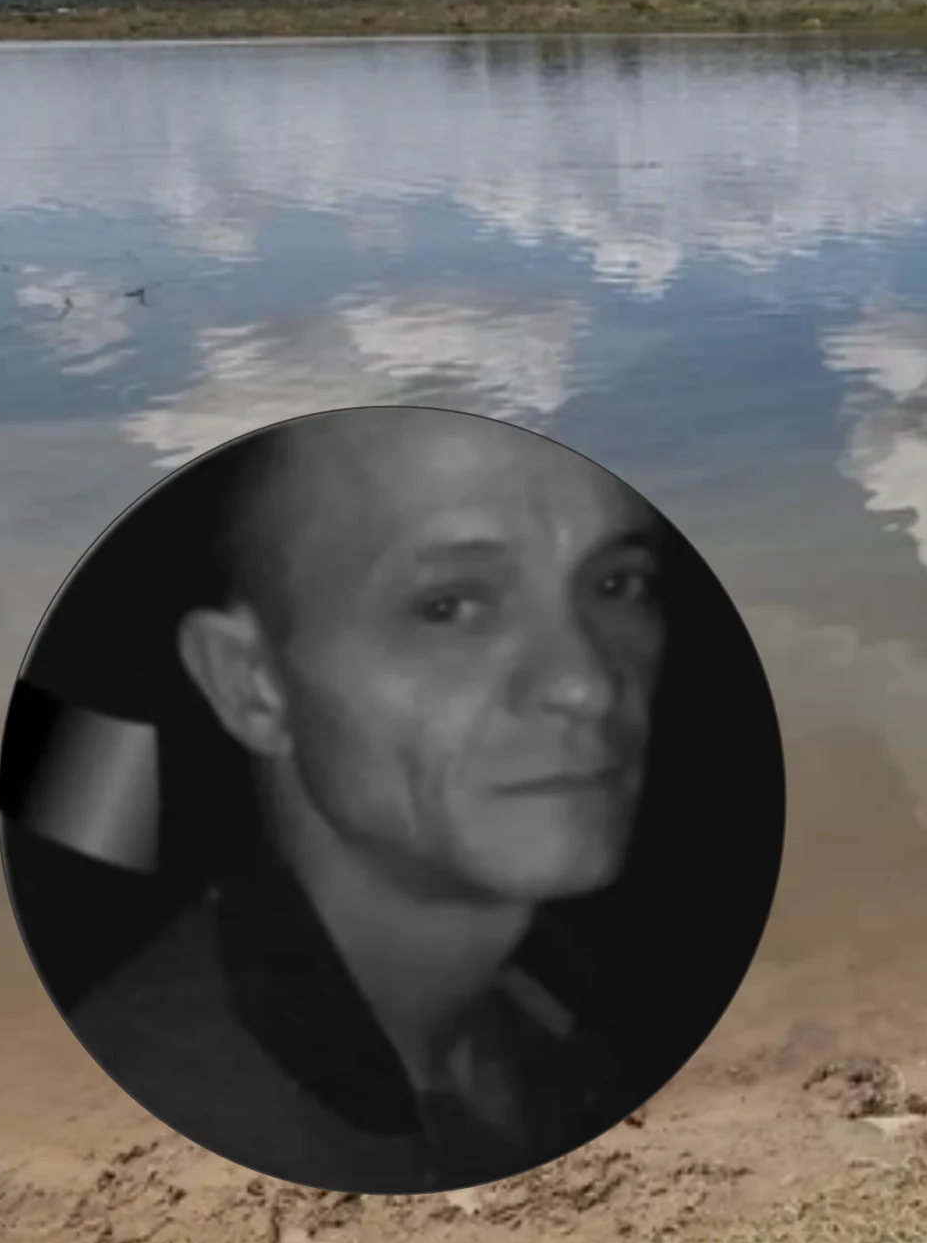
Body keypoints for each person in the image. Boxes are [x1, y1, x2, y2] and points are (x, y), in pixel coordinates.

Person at [63, 407, 668, 1194]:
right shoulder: (138, 1162)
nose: (588, 683)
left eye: (616, 584)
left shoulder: (587, 1016)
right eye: (449, 606)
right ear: (252, 685)